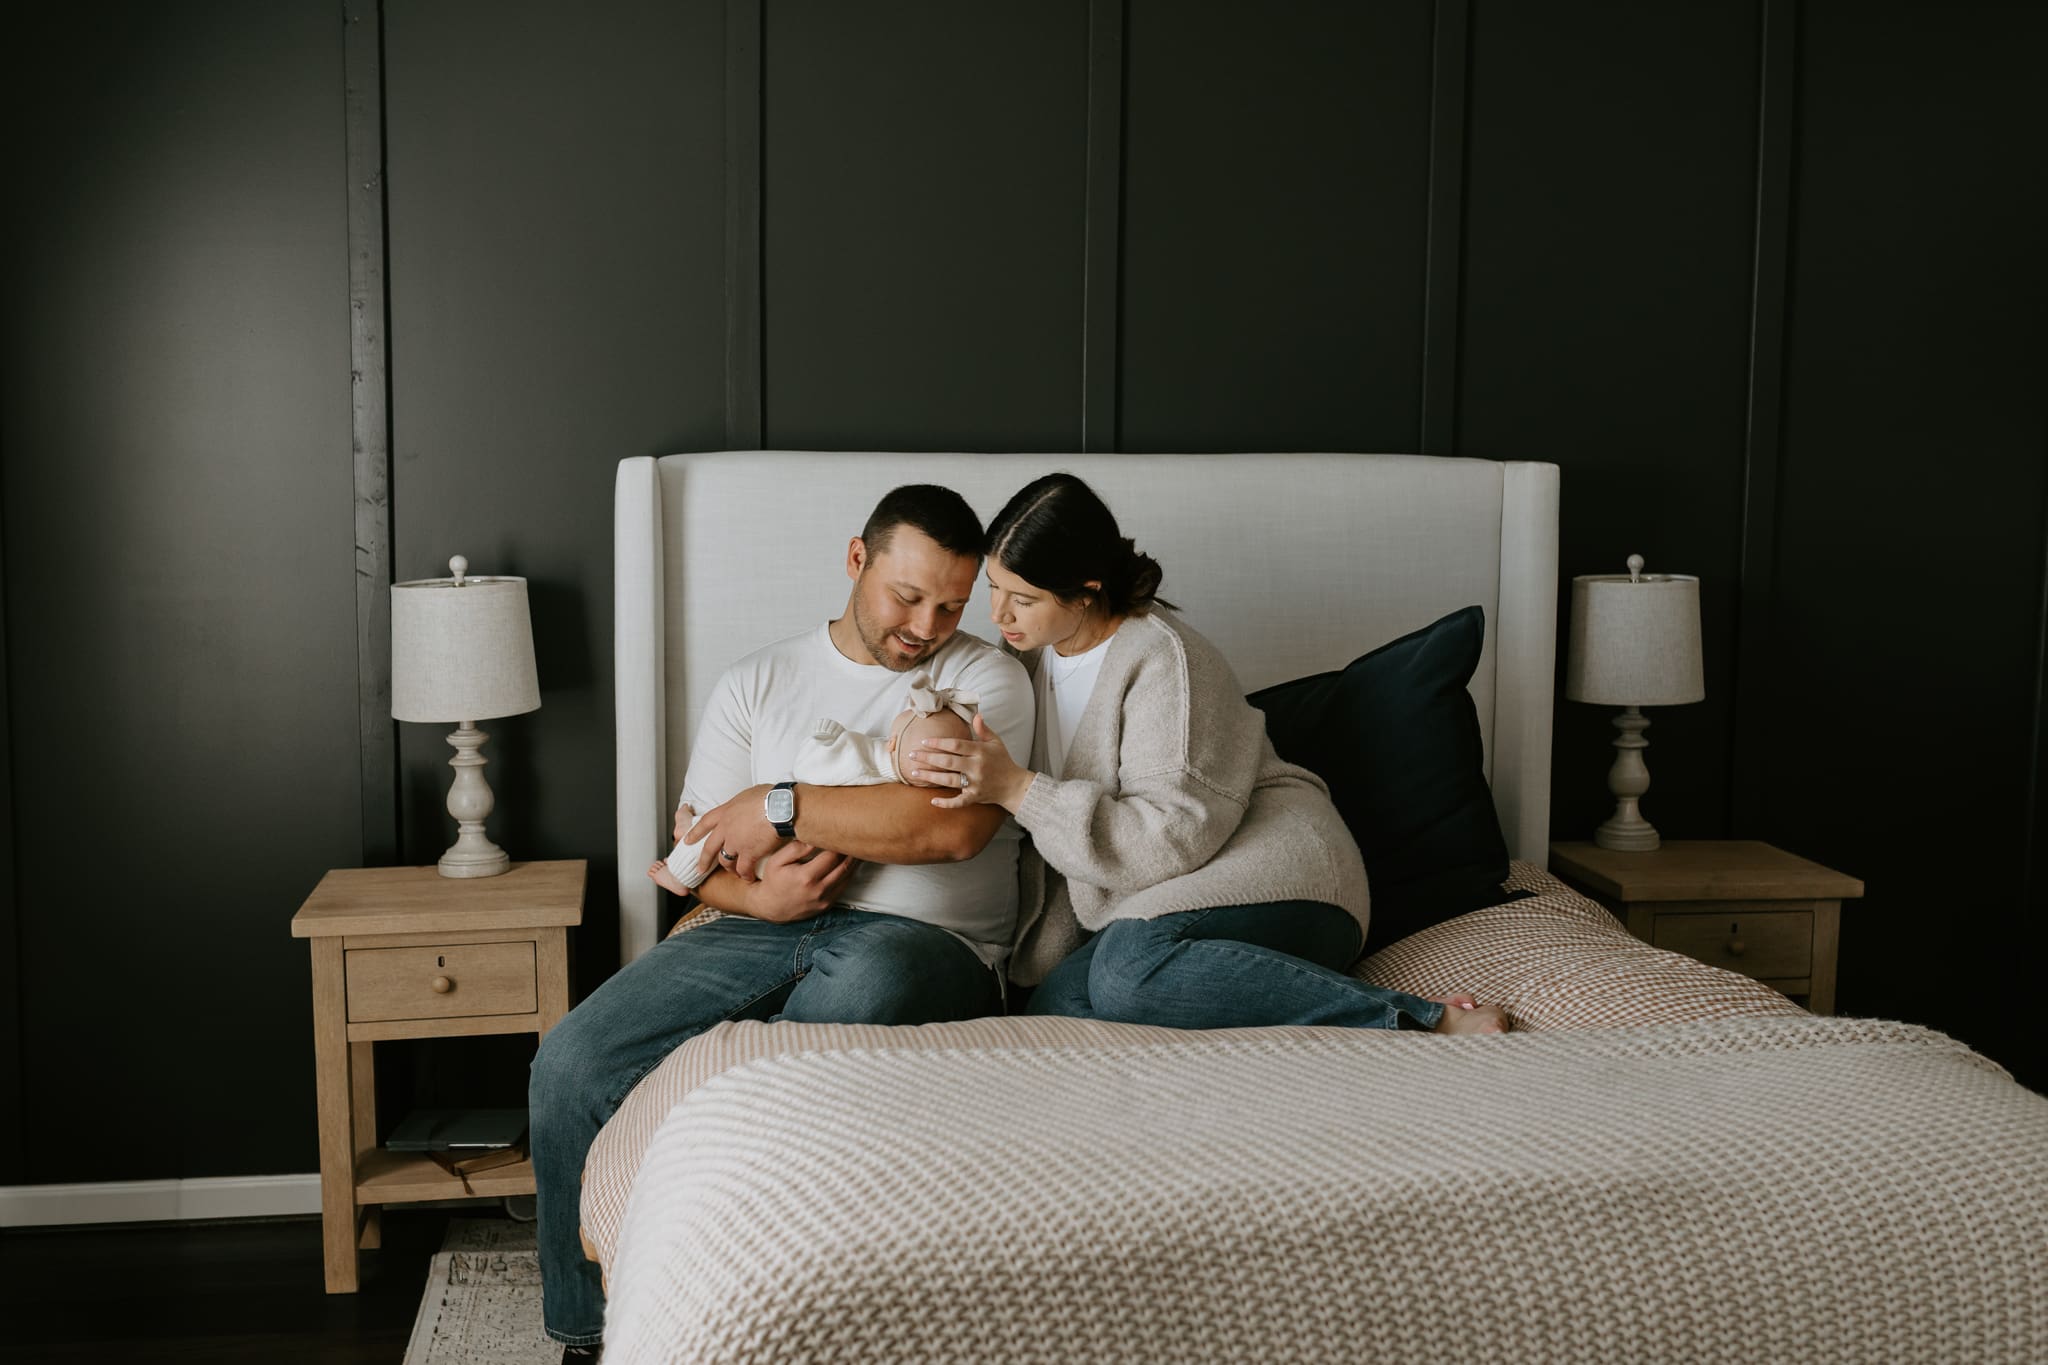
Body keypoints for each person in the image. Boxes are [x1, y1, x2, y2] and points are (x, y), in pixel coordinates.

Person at [531, 485, 1033, 1361]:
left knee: (831, 1025)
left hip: (926, 944)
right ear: (855, 560)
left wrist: (781, 807)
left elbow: (946, 828)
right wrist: (760, 896)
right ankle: (585, 1333)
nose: (928, 623)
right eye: (907, 596)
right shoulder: (757, 681)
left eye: (952, 602)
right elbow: (701, 860)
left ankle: (755, 1301)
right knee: (569, 1061)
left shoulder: (984, 678)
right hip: (758, 927)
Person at [903, 472, 1509, 1036]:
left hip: (1286, 874)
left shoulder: (1165, 660)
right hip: (1167, 896)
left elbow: (1168, 840)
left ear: (1085, 593)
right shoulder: (1025, 660)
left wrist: (1016, 788)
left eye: (1023, 598)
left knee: (1124, 974)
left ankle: (1417, 1018)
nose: (997, 614)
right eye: (994, 589)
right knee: (1052, 1009)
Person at [649, 671, 979, 894]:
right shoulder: (911, 783)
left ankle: (678, 874)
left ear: (892, 743)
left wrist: (826, 736)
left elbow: (809, 770)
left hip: (789, 853)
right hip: (808, 859)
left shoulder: (865, 759)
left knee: (710, 832)